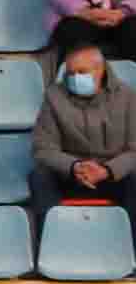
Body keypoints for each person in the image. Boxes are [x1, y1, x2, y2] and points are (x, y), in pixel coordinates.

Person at [31, 37, 132, 240]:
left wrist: (107, 170)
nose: (76, 78)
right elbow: (43, 148)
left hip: (114, 176)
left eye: (82, 72)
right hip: (71, 175)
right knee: (40, 177)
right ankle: (51, 244)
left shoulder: (129, 97)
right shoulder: (53, 96)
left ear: (100, 70)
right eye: (71, 73)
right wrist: (75, 166)